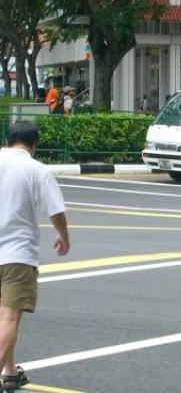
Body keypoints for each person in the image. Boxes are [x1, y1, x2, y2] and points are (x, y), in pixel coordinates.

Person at [0, 122, 70, 391]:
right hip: (17, 254)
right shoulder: (36, 169)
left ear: (9, 140)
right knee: (9, 317)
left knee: (4, 316)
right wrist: (64, 237)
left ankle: (10, 373)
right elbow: (56, 211)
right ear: (34, 144)